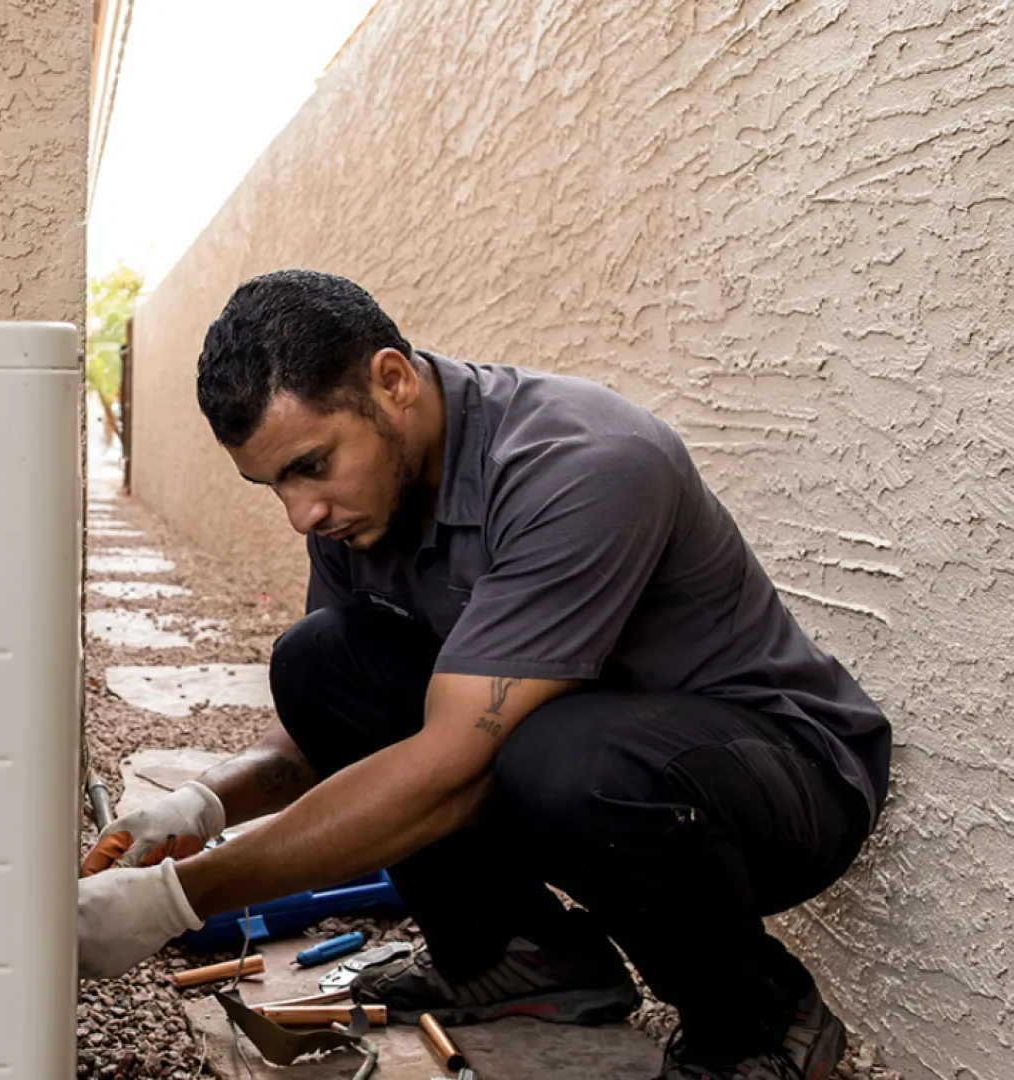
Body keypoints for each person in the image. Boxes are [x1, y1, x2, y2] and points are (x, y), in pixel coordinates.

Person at [75, 271, 890, 1080]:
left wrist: (178, 899)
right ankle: (517, 959)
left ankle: (755, 1021)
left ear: (391, 381)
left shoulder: (580, 463)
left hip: (782, 779)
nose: (303, 513)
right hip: (577, 758)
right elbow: (338, 723)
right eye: (276, 484)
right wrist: (206, 802)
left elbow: (450, 771)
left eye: (312, 466)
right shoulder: (362, 502)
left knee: (559, 760)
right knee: (321, 657)